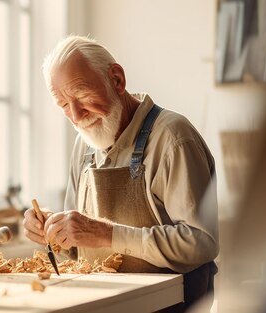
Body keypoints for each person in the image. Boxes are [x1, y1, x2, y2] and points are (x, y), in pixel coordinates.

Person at [23, 35, 219, 312]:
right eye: (64, 105)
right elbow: (78, 247)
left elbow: (201, 243)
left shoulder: (173, 137)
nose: (77, 117)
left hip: (170, 305)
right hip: (106, 303)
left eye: (81, 96)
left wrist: (106, 233)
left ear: (116, 79)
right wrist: (53, 229)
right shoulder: (85, 143)